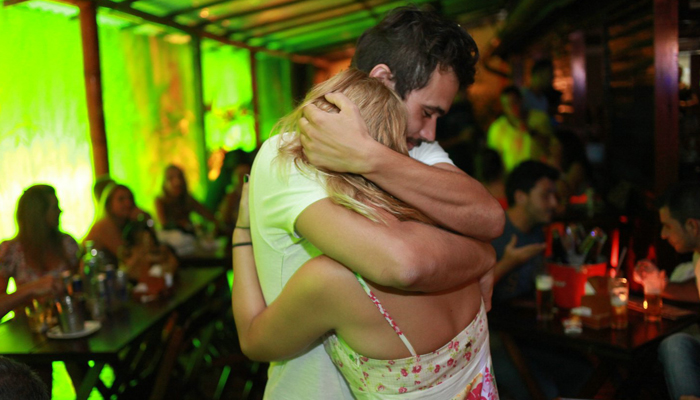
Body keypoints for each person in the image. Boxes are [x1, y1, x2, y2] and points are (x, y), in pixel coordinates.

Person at [248, 5, 504, 399]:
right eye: (427, 112)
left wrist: (371, 157)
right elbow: (403, 262)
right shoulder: (289, 152)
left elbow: (487, 218)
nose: (431, 131)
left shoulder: (410, 143)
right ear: (384, 79)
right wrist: (483, 256)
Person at [488, 161, 591, 399]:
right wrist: (507, 264)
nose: (554, 203)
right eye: (546, 196)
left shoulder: (537, 230)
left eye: (555, 195)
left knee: (582, 370)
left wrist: (567, 256)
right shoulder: (493, 231)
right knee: (542, 391)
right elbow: (467, 294)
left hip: (528, 331)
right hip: (492, 336)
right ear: (521, 196)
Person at [0, 185, 79, 318]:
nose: (60, 211)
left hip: (67, 321)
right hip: (30, 329)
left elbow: (79, 288)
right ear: (39, 214)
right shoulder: (11, 251)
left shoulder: (66, 243)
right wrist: (31, 288)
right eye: (54, 207)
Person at [654, 182, 700, 400]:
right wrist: (660, 285)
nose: (663, 234)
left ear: (692, 226)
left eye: (668, 226)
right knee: (675, 345)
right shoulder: (697, 256)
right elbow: (695, 289)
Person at [487, 85, 561, 173]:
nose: (512, 108)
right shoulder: (497, 128)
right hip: (511, 179)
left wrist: (531, 132)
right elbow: (493, 158)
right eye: (507, 105)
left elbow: (552, 147)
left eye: (515, 102)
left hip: (538, 176)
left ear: (521, 100)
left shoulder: (540, 119)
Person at [84, 183, 143, 265]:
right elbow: (125, 257)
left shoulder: (125, 225)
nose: (128, 203)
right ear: (109, 204)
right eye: (121, 199)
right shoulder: (104, 226)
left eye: (130, 198)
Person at [155, 164, 217, 234]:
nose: (177, 182)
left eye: (179, 177)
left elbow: (207, 214)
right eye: (171, 178)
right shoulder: (161, 201)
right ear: (165, 182)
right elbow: (164, 224)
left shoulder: (187, 199)